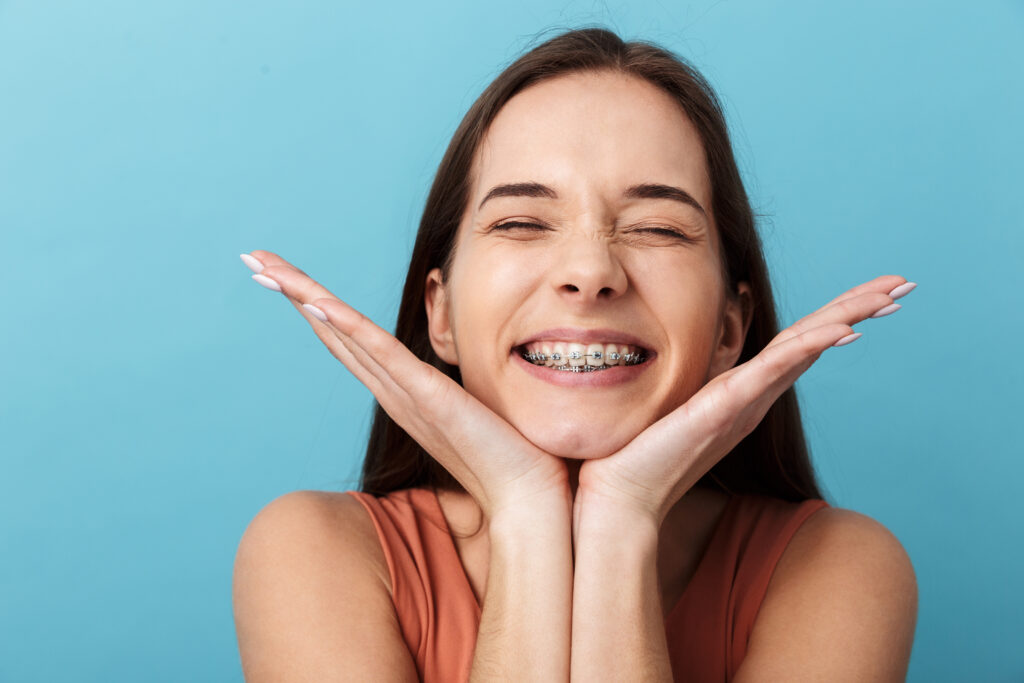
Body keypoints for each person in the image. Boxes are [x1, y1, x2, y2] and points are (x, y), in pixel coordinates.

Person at [231, 27, 918, 682]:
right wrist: (526, 513)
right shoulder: (312, 553)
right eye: (522, 222)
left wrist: (622, 519)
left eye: (657, 227)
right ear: (438, 313)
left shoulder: (839, 567)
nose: (591, 272)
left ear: (729, 331)